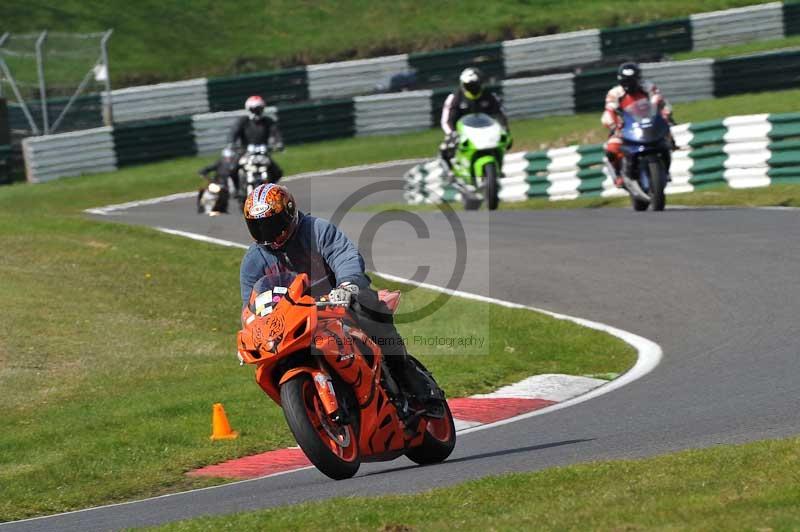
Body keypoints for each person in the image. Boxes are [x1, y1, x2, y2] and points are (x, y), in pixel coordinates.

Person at [239, 183, 440, 413]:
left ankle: (409, 378)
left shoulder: (316, 230)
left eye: (272, 224)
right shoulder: (253, 261)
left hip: (338, 300)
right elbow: (251, 305)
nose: (268, 234)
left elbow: (345, 256)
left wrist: (346, 285)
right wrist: (251, 333)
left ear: (289, 212)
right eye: (259, 227)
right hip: (295, 318)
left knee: (368, 310)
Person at [602, 62, 674, 187]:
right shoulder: (614, 93)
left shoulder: (648, 87)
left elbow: (659, 101)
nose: (629, 85)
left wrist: (665, 115)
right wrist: (614, 126)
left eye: (632, 81)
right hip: (625, 127)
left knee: (667, 141)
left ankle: (666, 171)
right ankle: (618, 175)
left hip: (649, 124)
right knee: (611, 149)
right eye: (626, 82)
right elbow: (609, 110)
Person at [439, 67, 509, 173]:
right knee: (445, 148)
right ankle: (450, 172)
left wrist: (504, 128)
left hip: (486, 130)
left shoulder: (490, 96)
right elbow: (447, 120)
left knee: (506, 142)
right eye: (468, 85)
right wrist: (452, 133)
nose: (472, 88)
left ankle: (498, 168)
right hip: (462, 132)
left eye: (474, 85)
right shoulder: (455, 98)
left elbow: (500, 114)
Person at [228, 95, 285, 183]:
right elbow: (234, 133)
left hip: (263, 152)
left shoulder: (268, 121)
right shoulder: (243, 121)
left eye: (259, 109)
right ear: (249, 109)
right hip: (245, 152)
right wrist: (232, 143)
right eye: (254, 109)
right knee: (232, 170)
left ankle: (271, 191)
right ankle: (237, 192)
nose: (257, 112)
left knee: (277, 172)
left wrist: (279, 143)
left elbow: (276, 133)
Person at [196, 147, 238, 214]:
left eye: (230, 158)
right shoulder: (219, 163)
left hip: (233, 186)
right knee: (203, 191)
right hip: (219, 184)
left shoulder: (237, 165)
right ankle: (201, 207)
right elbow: (210, 167)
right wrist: (203, 171)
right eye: (226, 158)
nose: (228, 160)